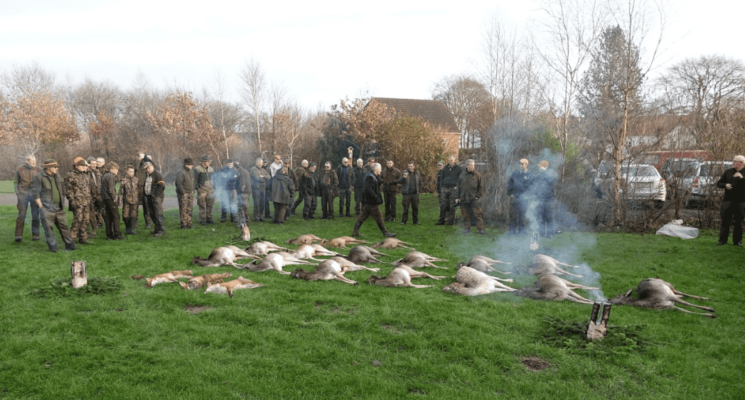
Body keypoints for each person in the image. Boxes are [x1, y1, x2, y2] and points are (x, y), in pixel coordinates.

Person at [30, 159, 76, 252]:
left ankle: (70, 245)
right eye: (55, 167)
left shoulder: (58, 176)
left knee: (64, 227)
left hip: (59, 208)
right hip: (46, 209)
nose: (57, 169)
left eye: (57, 167)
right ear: (48, 168)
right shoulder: (38, 177)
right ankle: (53, 247)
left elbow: (63, 190)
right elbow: (35, 194)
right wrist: (41, 207)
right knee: (48, 229)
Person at [353, 163, 395, 238]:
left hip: (368, 202)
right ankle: (385, 233)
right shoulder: (370, 177)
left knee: (362, 217)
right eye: (380, 169)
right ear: (376, 169)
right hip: (372, 202)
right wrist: (375, 196)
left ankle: (355, 232)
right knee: (379, 217)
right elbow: (368, 188)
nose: (381, 170)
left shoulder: (372, 176)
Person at [717, 155, 745, 247]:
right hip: (728, 200)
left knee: (739, 222)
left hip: (741, 201)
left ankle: (737, 241)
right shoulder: (728, 172)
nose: (733, 162)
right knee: (725, 221)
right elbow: (719, 183)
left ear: (741, 163)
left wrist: (741, 178)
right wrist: (725, 185)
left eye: (735, 161)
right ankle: (722, 240)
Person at [65, 157, 93, 245]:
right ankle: (71, 239)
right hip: (77, 202)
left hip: (86, 202)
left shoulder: (85, 175)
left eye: (85, 166)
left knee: (86, 220)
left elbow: (88, 188)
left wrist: (90, 200)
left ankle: (83, 238)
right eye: (82, 166)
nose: (84, 167)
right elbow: (68, 190)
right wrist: (72, 201)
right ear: (77, 166)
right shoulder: (71, 175)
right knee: (78, 220)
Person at [14, 155, 41, 242]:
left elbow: (42, 182)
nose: (34, 162)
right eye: (32, 161)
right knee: (21, 215)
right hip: (23, 194)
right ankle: (18, 235)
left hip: (35, 195)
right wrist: (18, 194)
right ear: (27, 161)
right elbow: (16, 183)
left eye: (35, 160)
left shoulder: (39, 170)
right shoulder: (20, 169)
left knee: (35, 215)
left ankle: (35, 234)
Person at [455, 160, 486, 234]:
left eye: (473, 165)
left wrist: (478, 196)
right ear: (467, 166)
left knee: (477, 214)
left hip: (474, 198)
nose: (472, 167)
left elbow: (481, 187)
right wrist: (457, 197)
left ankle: (481, 229)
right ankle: (466, 228)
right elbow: (458, 187)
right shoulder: (462, 175)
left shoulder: (477, 175)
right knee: (465, 214)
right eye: (471, 165)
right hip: (464, 197)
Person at [507, 158, 534, 234]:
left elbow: (533, 186)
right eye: (519, 164)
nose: (520, 165)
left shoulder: (530, 175)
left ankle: (521, 231)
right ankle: (512, 230)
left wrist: (529, 195)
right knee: (513, 215)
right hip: (515, 197)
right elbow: (510, 183)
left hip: (524, 199)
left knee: (522, 215)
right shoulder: (515, 174)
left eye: (522, 164)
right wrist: (510, 193)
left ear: (526, 165)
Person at [101, 162, 126, 240]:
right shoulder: (110, 176)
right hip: (110, 199)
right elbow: (111, 190)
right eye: (116, 169)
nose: (117, 171)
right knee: (116, 216)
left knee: (109, 217)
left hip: (105, 198)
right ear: (111, 169)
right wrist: (114, 199)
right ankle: (117, 234)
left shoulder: (105, 175)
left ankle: (109, 235)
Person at [436, 156, 462, 225]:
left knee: (452, 205)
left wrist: (457, 187)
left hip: (453, 189)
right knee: (443, 205)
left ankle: (451, 221)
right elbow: (442, 178)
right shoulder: (445, 168)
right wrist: (442, 187)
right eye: (449, 160)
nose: (450, 161)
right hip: (445, 188)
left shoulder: (458, 168)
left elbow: (461, 179)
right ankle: (441, 220)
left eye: (451, 160)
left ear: (454, 161)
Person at [143, 161, 166, 236]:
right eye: (146, 169)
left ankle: (161, 230)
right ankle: (157, 228)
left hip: (156, 198)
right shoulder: (148, 175)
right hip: (149, 197)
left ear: (152, 166)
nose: (147, 170)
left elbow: (162, 186)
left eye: (148, 168)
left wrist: (155, 196)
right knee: (152, 214)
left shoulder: (158, 174)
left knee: (158, 214)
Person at [534, 160, 556, 237]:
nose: (539, 168)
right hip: (540, 199)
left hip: (549, 199)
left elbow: (552, 181)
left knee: (549, 217)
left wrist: (545, 172)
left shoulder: (550, 174)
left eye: (540, 166)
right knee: (541, 217)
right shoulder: (539, 175)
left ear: (545, 167)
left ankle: (550, 233)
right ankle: (542, 233)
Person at [194, 154, 215, 225]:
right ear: (202, 161)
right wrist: (197, 188)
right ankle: (202, 220)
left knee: (210, 205)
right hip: (202, 190)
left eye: (207, 161)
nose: (206, 163)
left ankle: (209, 218)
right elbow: (195, 180)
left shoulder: (211, 169)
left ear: (209, 162)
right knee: (202, 205)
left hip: (211, 190)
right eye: (204, 161)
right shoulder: (197, 169)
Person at [175, 158, 195, 229]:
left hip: (191, 193)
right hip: (183, 194)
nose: (191, 166)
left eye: (192, 164)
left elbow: (193, 182)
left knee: (190, 209)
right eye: (190, 164)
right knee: (183, 209)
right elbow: (178, 184)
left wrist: (193, 190)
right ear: (186, 164)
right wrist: (183, 193)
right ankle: (183, 224)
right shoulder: (180, 172)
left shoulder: (191, 172)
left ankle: (189, 223)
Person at [136, 152, 154, 230]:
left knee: (148, 208)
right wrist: (139, 160)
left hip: (148, 190)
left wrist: (150, 160)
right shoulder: (138, 165)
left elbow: (155, 167)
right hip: (139, 189)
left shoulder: (149, 166)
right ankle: (134, 224)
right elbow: (136, 169)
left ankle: (150, 223)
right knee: (136, 208)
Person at [119, 165, 139, 235]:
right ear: (126, 171)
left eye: (132, 171)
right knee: (125, 215)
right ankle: (127, 228)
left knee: (133, 215)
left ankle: (131, 229)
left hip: (135, 201)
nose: (131, 173)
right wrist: (119, 201)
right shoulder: (124, 181)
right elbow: (121, 192)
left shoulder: (136, 180)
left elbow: (139, 190)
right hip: (126, 200)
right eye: (130, 171)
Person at [250, 157, 270, 222]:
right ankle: (256, 218)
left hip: (262, 189)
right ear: (256, 163)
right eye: (258, 163)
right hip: (256, 189)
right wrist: (264, 179)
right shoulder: (253, 169)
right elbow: (257, 178)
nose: (260, 164)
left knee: (262, 203)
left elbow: (269, 177)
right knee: (257, 204)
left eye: (261, 163)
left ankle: (261, 217)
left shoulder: (263, 170)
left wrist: (263, 176)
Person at [235, 161, 252, 227]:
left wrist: (240, 193)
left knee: (241, 207)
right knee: (245, 207)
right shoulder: (245, 171)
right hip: (247, 192)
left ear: (236, 167)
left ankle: (242, 222)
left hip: (243, 193)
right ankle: (247, 221)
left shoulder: (241, 172)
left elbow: (243, 185)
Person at [434, 160, 446, 225]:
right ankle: (443, 218)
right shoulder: (438, 173)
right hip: (440, 192)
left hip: (444, 191)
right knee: (441, 205)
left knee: (444, 205)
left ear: (443, 166)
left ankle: (443, 219)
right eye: (438, 165)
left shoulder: (445, 173)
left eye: (440, 165)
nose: (439, 166)